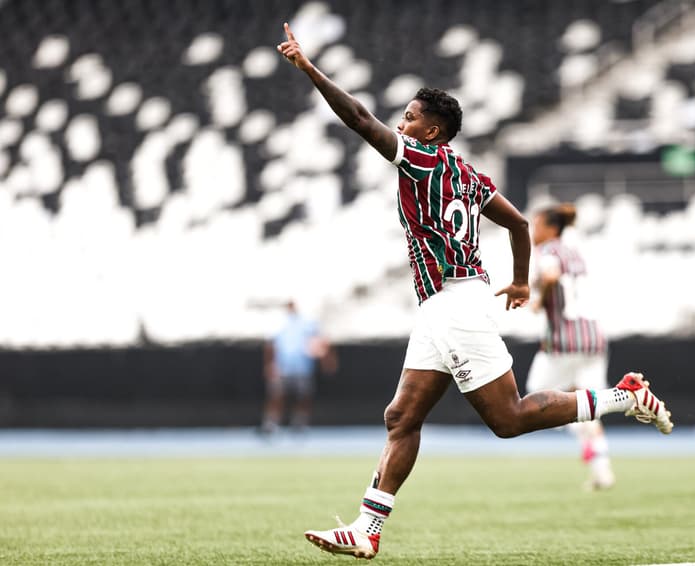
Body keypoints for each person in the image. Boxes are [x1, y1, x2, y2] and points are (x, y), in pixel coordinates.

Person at [277, 22, 673, 560]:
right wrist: (518, 279)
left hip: (455, 303)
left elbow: (359, 119)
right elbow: (516, 224)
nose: (403, 122)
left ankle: (626, 397)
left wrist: (308, 68)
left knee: (507, 419)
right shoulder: (468, 174)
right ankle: (367, 528)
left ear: (433, 132)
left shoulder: (419, 161)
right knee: (401, 417)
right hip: (445, 304)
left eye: (412, 116)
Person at [527, 203, 615, 490]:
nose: (532, 231)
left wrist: (539, 298)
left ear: (551, 229)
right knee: (588, 404)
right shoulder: (575, 253)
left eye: (536, 225)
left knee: (535, 397)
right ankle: (601, 468)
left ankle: (581, 431)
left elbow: (551, 276)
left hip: (564, 341)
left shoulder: (549, 250)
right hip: (593, 339)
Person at [260, 300, 334, 434]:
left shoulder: (307, 323)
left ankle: (299, 422)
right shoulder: (278, 323)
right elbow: (270, 346)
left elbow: (319, 342)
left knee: (304, 395)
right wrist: (270, 364)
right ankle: (271, 424)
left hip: (302, 367)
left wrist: (325, 359)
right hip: (283, 367)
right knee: (277, 395)